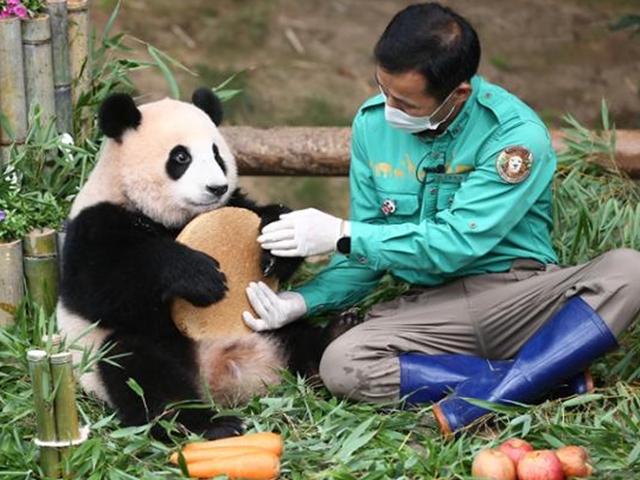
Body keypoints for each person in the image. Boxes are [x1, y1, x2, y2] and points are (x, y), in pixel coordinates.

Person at [241, 2, 640, 434]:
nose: (388, 107)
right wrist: (303, 301)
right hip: (433, 310)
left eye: (405, 102)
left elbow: (452, 246)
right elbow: (365, 253)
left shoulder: (514, 138)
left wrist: (341, 234)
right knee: (341, 363)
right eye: (382, 88)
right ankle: (544, 382)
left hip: (518, 299)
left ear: (459, 94)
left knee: (629, 271)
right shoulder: (372, 126)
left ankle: (488, 395)